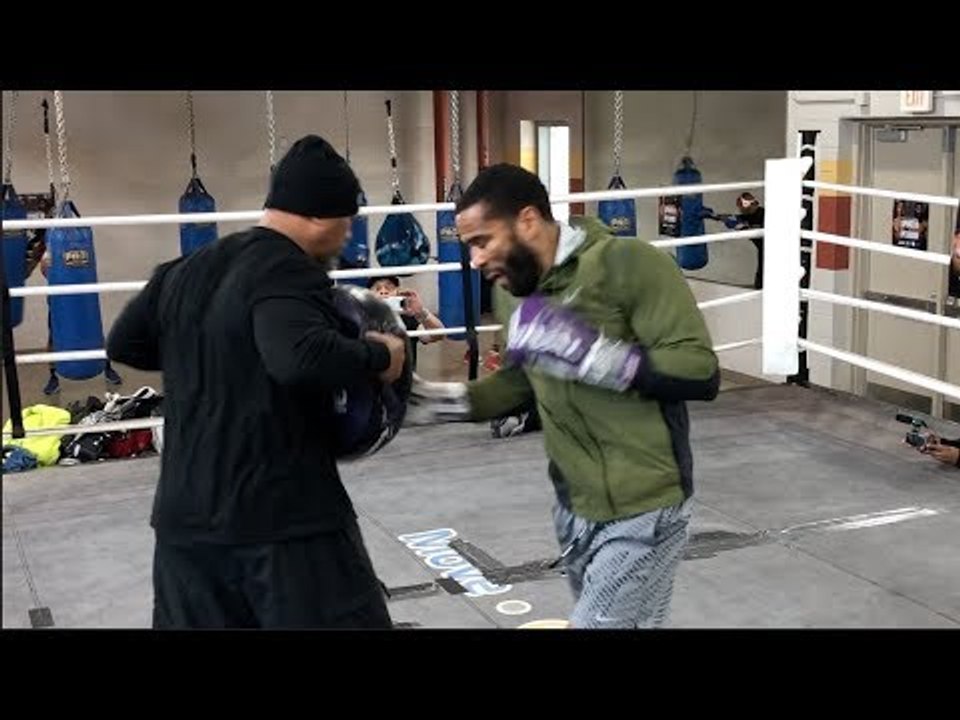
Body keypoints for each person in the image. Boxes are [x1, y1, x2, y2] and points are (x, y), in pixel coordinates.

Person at [106, 135, 406, 629]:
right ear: (320, 215)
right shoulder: (287, 269)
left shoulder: (185, 269)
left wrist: (217, 359)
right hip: (283, 521)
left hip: (186, 527)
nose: (348, 235)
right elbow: (299, 357)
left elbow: (125, 344)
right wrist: (381, 356)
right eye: (347, 220)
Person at [407, 163, 720, 628]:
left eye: (481, 241)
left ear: (528, 221)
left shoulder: (629, 264)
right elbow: (518, 382)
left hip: (644, 504)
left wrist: (597, 356)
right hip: (574, 506)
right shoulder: (520, 291)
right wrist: (425, 402)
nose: (474, 260)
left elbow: (701, 371)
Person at [368, 275, 444, 369]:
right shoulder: (361, 319)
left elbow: (438, 335)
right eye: (377, 288)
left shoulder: (408, 318)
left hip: (404, 380)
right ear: (368, 294)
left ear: (397, 292)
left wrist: (421, 313)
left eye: (389, 288)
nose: (383, 292)